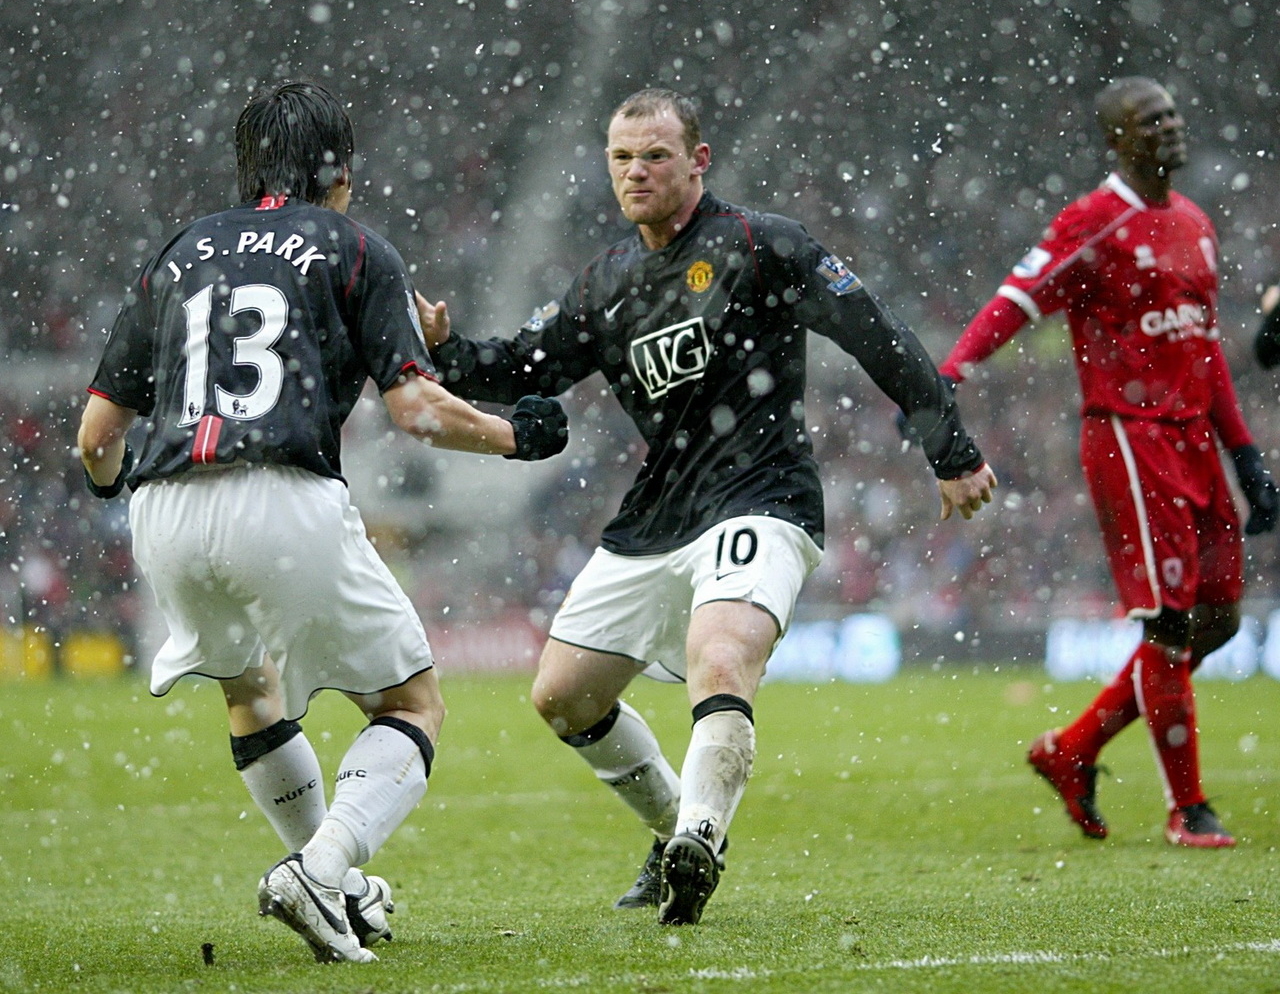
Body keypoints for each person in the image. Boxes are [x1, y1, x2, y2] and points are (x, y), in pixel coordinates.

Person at [418, 87, 998, 925]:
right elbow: (520, 366)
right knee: (561, 697)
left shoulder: (764, 246)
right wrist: (449, 352)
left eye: (655, 154)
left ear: (699, 161)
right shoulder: (608, 282)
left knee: (719, 659)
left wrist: (949, 447)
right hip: (658, 512)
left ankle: (702, 833)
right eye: (621, 157)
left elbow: (877, 333)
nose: (636, 172)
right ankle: (672, 833)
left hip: (763, 494)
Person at [77, 80, 568, 963]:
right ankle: (323, 866)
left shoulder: (183, 251)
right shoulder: (352, 245)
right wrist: (515, 433)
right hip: (281, 492)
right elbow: (416, 411)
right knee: (412, 703)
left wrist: (121, 491)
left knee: (249, 693)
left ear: (247, 165)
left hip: (163, 507)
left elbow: (95, 441)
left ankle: (331, 888)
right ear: (340, 172)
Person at [936, 76, 1277, 848]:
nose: (1170, 128)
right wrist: (950, 374)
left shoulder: (1193, 222)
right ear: (1118, 139)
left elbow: (1204, 344)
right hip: (1131, 437)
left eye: (1174, 114)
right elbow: (1017, 297)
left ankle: (1074, 748)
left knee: (1218, 620)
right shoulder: (1093, 220)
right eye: (1150, 120)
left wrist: (1246, 454)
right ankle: (1187, 809)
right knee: (1169, 625)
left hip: (1195, 439)